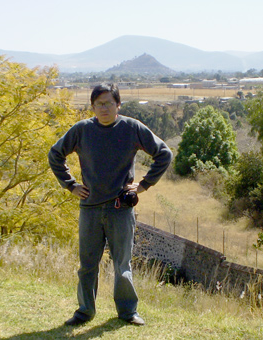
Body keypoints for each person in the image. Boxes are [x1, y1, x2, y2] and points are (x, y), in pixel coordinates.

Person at [48, 83, 172, 326]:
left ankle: (128, 312)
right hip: (90, 208)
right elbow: (55, 154)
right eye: (99, 104)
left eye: (108, 103)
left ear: (118, 104)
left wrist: (144, 185)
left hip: (120, 209)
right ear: (93, 107)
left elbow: (163, 153)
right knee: (87, 265)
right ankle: (84, 312)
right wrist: (71, 185)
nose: (104, 108)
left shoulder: (131, 128)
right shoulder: (82, 130)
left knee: (122, 265)